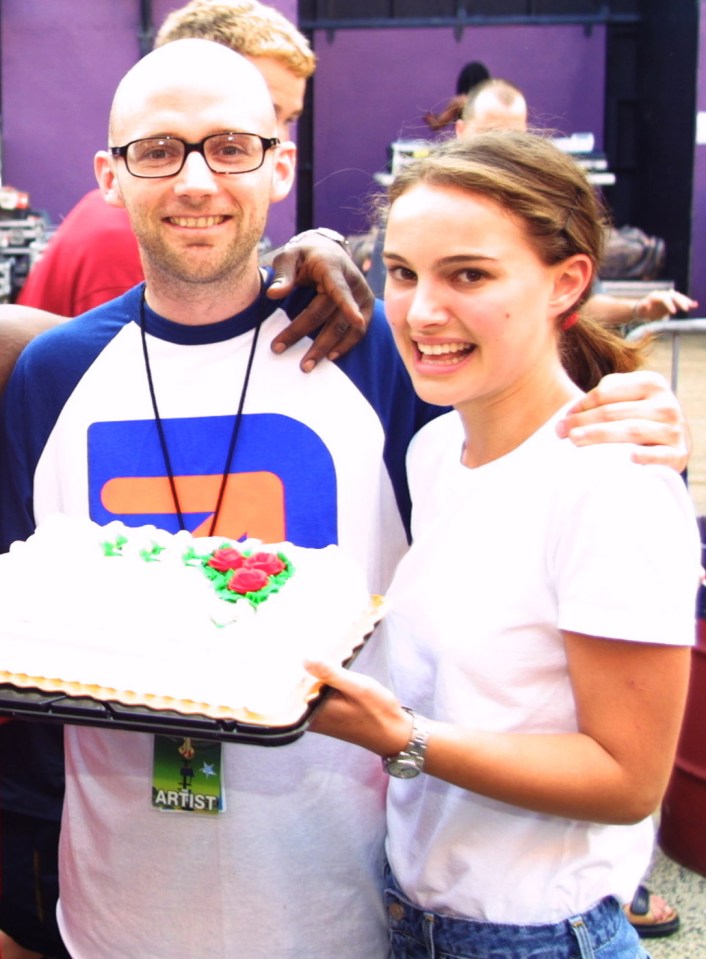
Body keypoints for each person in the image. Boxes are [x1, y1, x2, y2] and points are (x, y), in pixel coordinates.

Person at [307, 130, 702, 959]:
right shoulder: (435, 447)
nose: (421, 311)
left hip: (538, 935)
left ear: (568, 284)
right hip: (414, 911)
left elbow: (628, 778)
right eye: (405, 272)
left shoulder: (610, 481)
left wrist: (402, 736)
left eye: (470, 275)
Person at [454, 77, 699, 331]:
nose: (499, 149)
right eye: (488, 136)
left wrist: (638, 309)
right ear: (461, 131)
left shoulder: (550, 205)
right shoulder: (428, 201)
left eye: (512, 137)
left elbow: (583, 301)